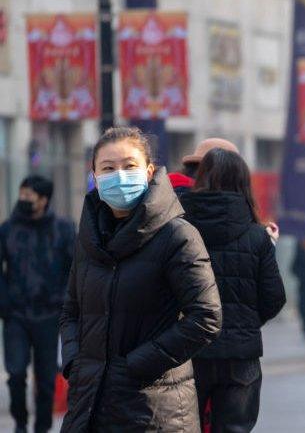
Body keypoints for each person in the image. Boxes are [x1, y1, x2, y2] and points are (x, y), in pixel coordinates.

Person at [60, 127, 222, 432]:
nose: (119, 175)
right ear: (94, 175)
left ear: (148, 172)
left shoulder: (177, 235)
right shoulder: (90, 238)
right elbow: (71, 309)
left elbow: (206, 317)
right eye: (108, 168)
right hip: (90, 403)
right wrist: (74, 361)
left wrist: (136, 365)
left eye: (129, 166)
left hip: (154, 409)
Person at [180, 148, 287, 431]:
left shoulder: (180, 229)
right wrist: (247, 321)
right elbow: (274, 297)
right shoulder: (257, 236)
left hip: (190, 352)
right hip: (241, 356)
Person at [0, 176, 75, 433]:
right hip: (16, 316)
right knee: (16, 373)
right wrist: (4, 303)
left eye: (29, 196)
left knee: (46, 379)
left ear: (44, 200)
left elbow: (74, 270)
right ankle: (20, 423)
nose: (24, 200)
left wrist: (66, 302)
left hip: (50, 315)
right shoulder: (8, 229)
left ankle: (42, 427)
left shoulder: (63, 229)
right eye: (21, 195)